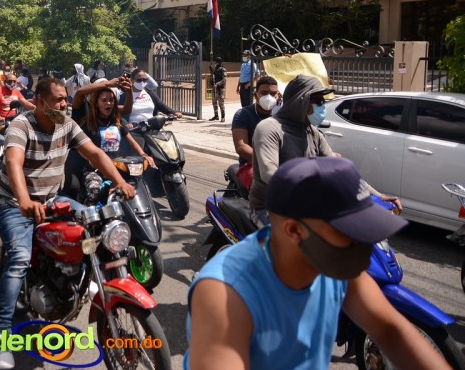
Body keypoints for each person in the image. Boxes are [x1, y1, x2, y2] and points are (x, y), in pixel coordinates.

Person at [185, 157, 448, 370]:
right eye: (350, 232)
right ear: (294, 231)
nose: (364, 245)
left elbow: (391, 331)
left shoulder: (337, 269)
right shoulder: (225, 294)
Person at [0, 78, 136, 369]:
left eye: (65, 99)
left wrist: (120, 181)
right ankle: (0, 334)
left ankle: (86, 281)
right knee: (19, 259)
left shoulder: (67, 125)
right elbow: (14, 162)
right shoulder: (21, 125)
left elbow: (95, 153)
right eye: (58, 99)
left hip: (52, 199)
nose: (64, 104)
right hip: (12, 202)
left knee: (97, 228)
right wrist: (24, 200)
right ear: (40, 100)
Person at [249, 75, 401, 227]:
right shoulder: (269, 128)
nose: (322, 106)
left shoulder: (313, 132)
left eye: (323, 101)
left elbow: (339, 170)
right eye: (318, 102)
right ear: (301, 101)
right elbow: (270, 174)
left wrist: (377, 196)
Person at [75, 81, 154, 204]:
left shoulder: (117, 121)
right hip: (94, 169)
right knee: (94, 194)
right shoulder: (88, 123)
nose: (108, 103)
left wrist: (144, 155)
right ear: (96, 104)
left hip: (117, 168)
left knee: (137, 189)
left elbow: (131, 141)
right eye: (104, 100)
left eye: (111, 100)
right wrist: (91, 160)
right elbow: (80, 148)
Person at [230, 75, 279, 192]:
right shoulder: (243, 114)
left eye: (273, 94)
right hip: (251, 165)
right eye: (264, 93)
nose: (269, 97)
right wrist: (267, 161)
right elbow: (241, 146)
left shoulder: (282, 116)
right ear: (256, 95)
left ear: (278, 95)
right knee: (268, 190)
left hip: (280, 166)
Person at [209, 56, 227, 122]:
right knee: (214, 102)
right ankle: (216, 115)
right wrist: (211, 70)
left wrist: (217, 84)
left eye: (216, 62)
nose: (215, 64)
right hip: (215, 88)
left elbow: (224, 80)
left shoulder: (223, 69)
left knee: (221, 103)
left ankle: (223, 117)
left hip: (220, 89)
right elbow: (213, 77)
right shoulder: (215, 70)